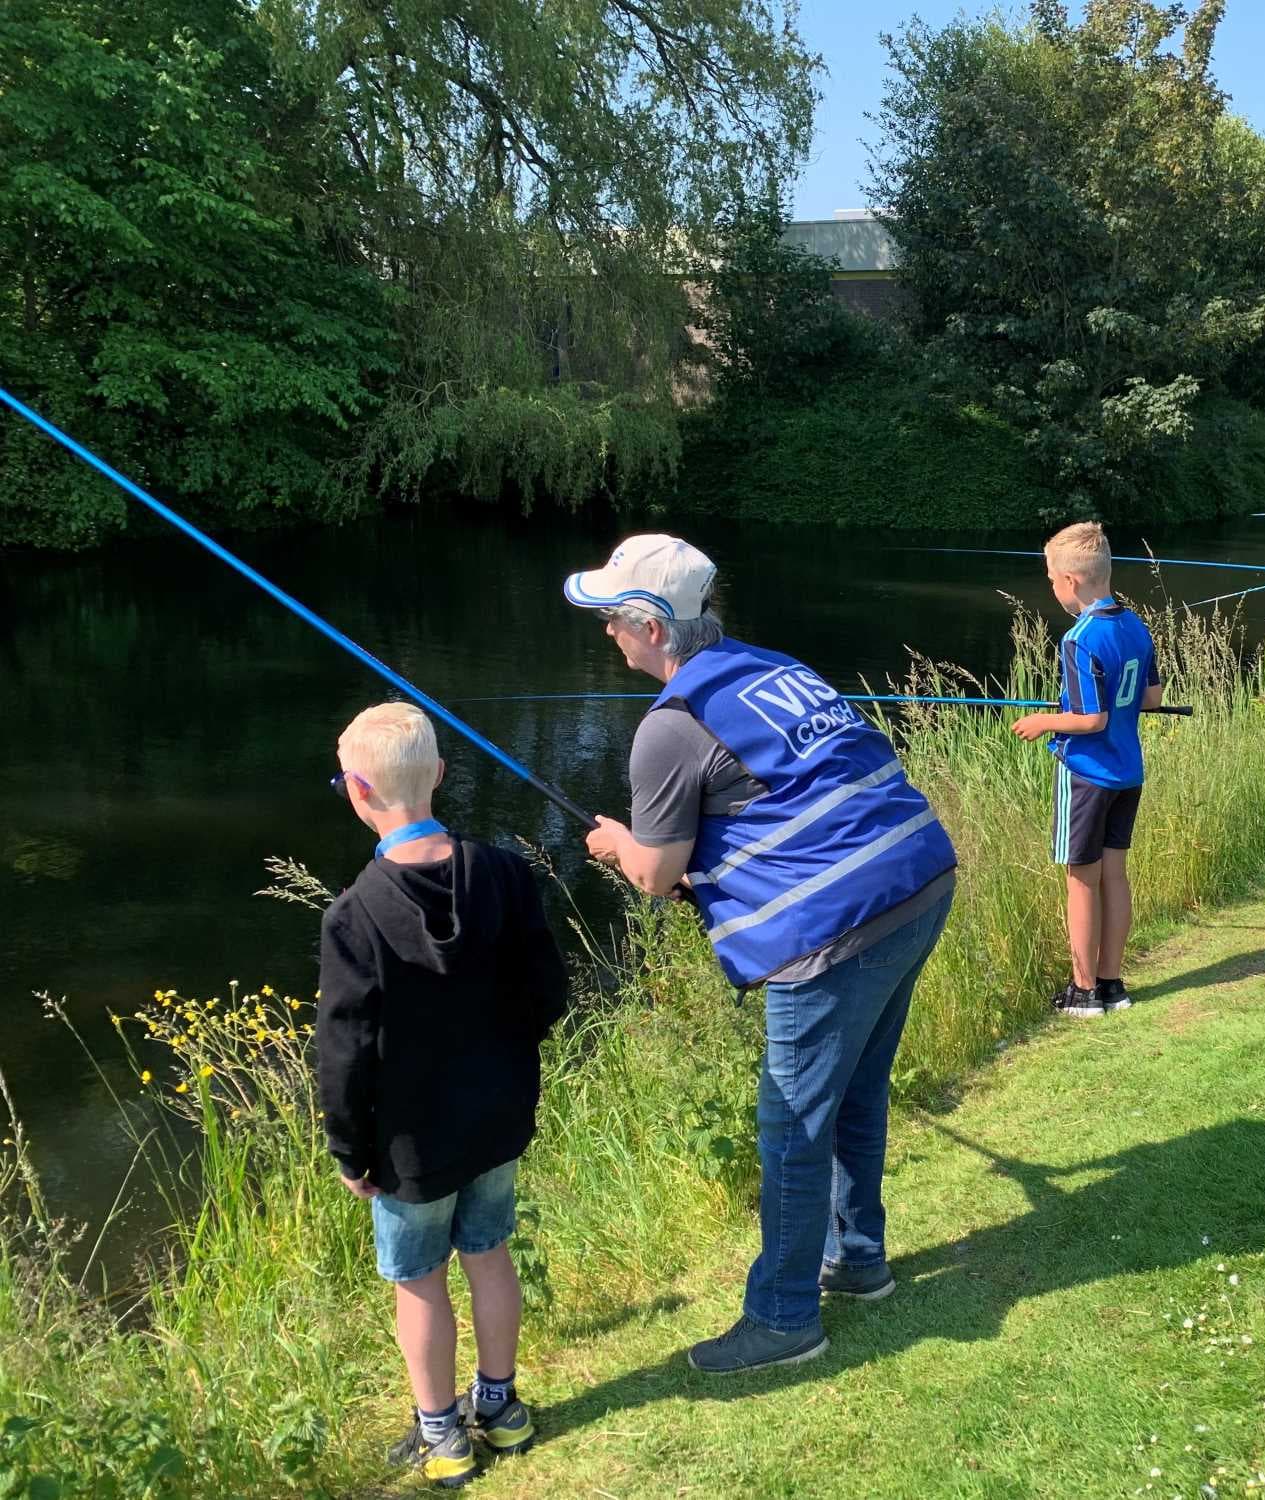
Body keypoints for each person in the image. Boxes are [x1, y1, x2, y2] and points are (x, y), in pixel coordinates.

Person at [567, 534, 957, 1375]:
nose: (607, 632)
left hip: (838, 926)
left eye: (613, 619)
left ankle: (784, 1318)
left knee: (792, 1125)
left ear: (652, 627)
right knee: (856, 1091)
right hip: (920, 878)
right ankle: (857, 1259)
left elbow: (655, 874)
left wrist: (616, 844)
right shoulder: (772, 665)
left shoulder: (668, 729)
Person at [316, 703, 567, 1488]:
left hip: (410, 1144)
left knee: (418, 1280)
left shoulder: (354, 914)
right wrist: (508, 1055)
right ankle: (501, 1408)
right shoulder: (507, 874)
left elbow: (345, 1051)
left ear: (359, 791)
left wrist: (349, 1149)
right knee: (488, 1254)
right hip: (498, 1118)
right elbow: (549, 992)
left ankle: (442, 1435)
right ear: (440, 776)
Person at [1010, 522, 1163, 1017]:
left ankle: (1082, 992)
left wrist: (1044, 721)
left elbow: (1090, 719)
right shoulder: (1135, 625)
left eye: (1051, 578)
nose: (1051, 587)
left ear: (1070, 581)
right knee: (1114, 876)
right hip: (1128, 772)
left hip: (1087, 773)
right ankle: (1111, 984)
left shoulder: (1079, 639)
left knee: (1081, 878)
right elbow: (1151, 698)